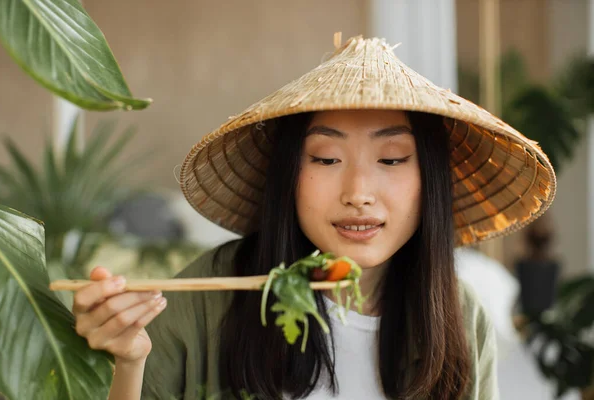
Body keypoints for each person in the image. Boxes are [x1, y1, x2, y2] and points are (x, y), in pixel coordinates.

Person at [71, 34, 556, 399]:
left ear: (429, 181)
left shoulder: (458, 310)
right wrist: (128, 362)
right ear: (288, 176)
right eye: (325, 159)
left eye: (391, 160)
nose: (359, 193)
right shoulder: (208, 294)